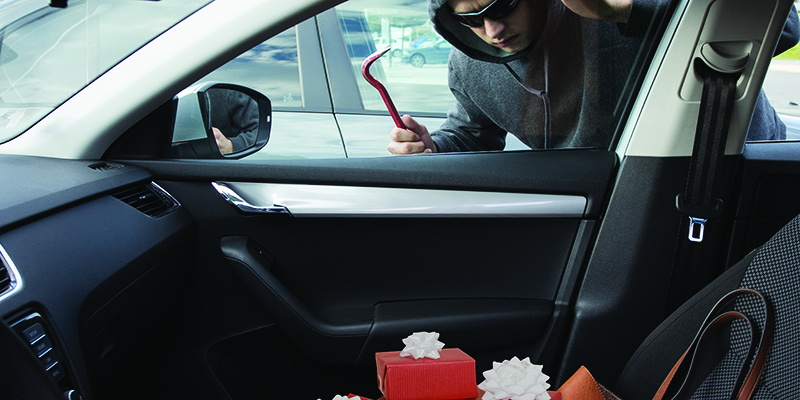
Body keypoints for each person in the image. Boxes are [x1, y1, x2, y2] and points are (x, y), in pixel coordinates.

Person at [388, 0, 799, 155]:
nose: (492, 30)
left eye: (503, 5)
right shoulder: (468, 64)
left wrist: (625, 11)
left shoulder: (604, 3)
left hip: (742, 167)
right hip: (617, 200)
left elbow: (783, 28)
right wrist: (433, 147)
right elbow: (473, 133)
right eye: (471, 19)